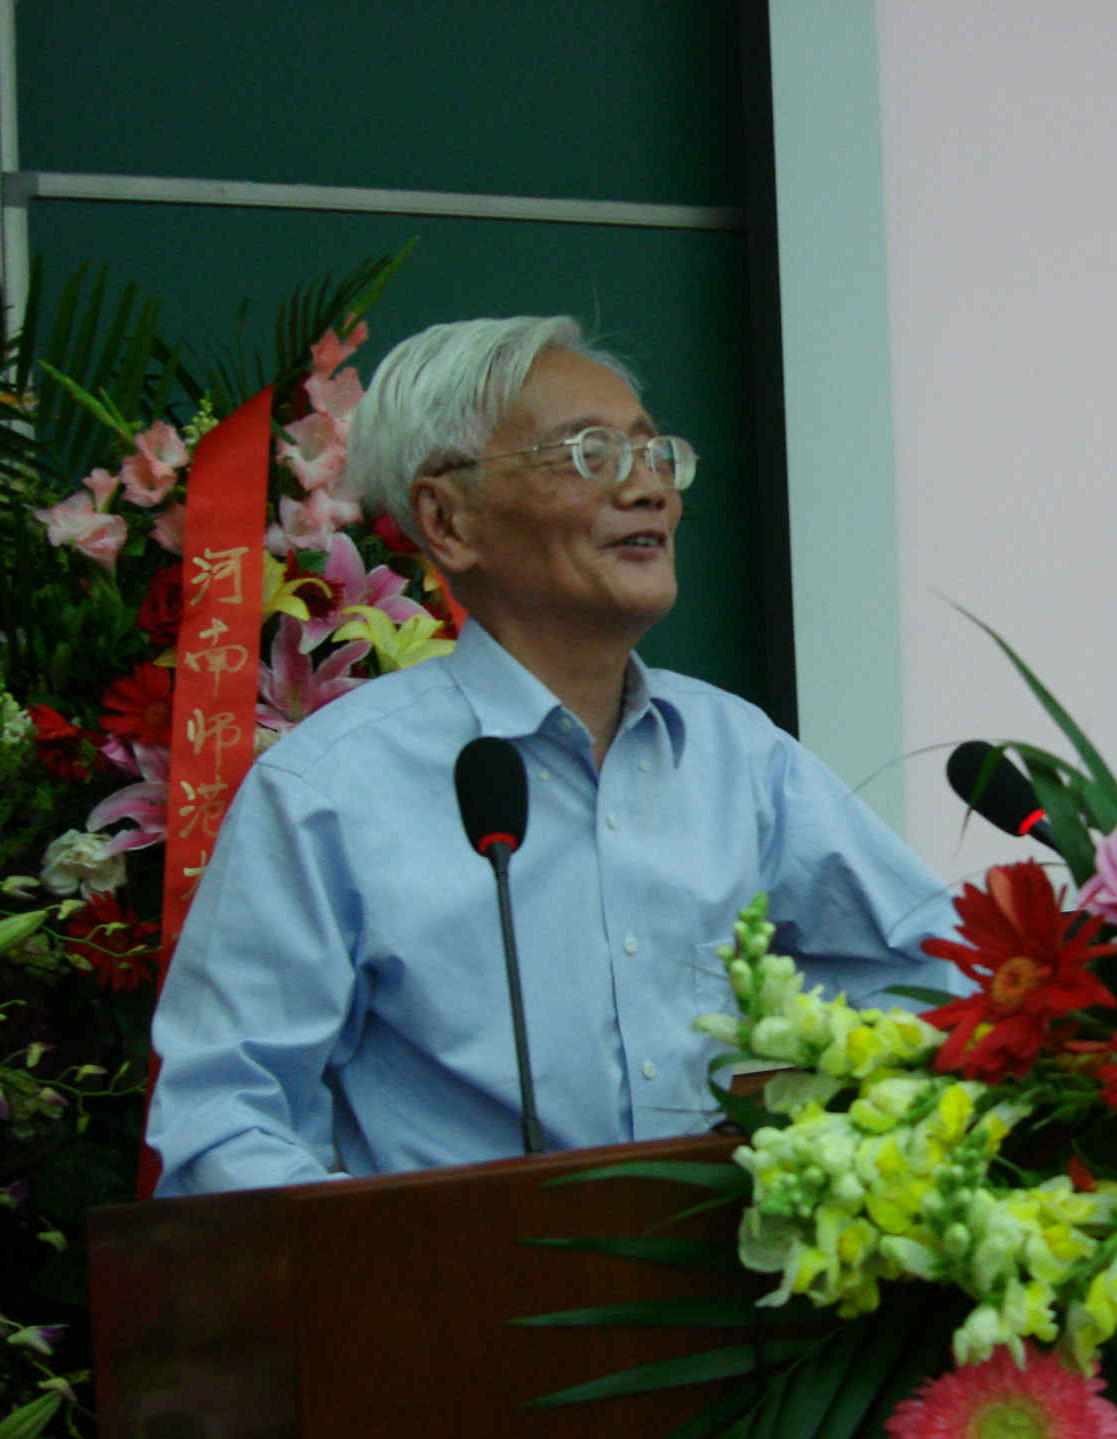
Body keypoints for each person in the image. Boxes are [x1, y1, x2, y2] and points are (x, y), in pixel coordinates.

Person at [145, 316, 956, 1196]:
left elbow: (930, 983)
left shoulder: (738, 754)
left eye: (655, 455)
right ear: (447, 519)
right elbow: (223, 1118)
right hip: (455, 1278)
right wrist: (393, 1264)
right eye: (589, 455)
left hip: (721, 1270)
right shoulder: (330, 788)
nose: (648, 491)